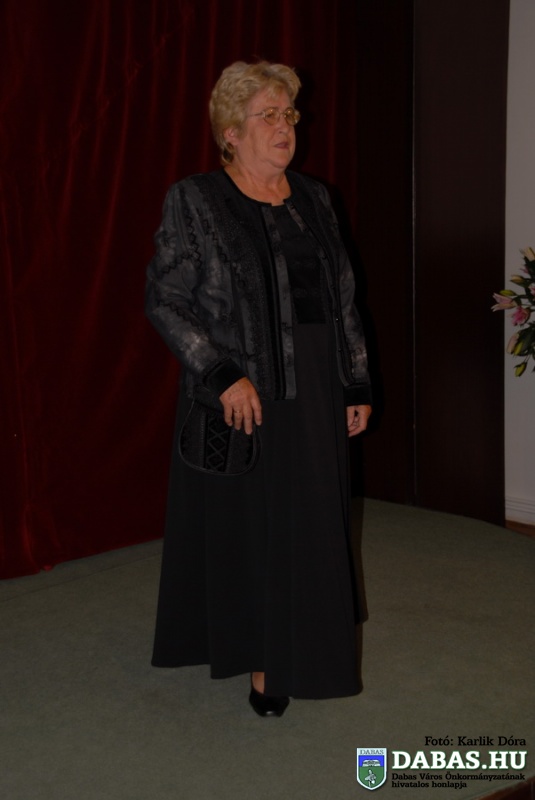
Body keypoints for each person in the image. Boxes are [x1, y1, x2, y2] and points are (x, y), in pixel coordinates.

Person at [145, 61, 372, 718]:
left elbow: (342, 299)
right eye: (267, 115)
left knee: (313, 526)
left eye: (288, 114)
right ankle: (265, 661)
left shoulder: (315, 198)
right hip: (244, 392)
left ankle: (314, 644)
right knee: (256, 533)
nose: (283, 127)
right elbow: (166, 300)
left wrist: (355, 380)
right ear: (231, 132)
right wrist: (221, 375)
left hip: (317, 390)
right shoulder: (196, 200)